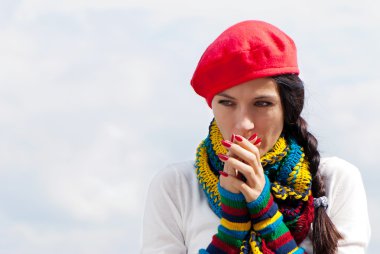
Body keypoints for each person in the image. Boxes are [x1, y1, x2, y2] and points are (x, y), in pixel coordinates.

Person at [141, 20, 371, 254]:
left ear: (288, 108)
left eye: (262, 103)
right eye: (227, 103)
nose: (243, 124)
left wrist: (268, 218)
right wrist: (231, 230)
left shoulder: (336, 180)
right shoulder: (175, 185)